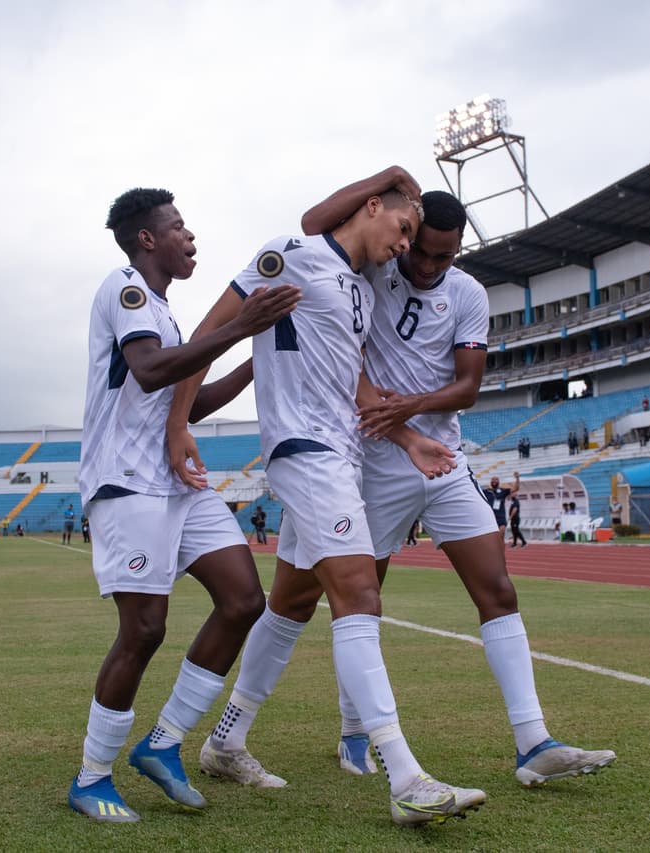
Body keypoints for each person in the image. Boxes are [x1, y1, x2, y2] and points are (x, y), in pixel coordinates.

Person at [196, 172, 611, 809]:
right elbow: (314, 227)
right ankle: (282, 733)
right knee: (304, 602)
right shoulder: (370, 265)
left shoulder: (468, 293)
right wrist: (392, 177)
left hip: (440, 458)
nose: (421, 261)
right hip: (363, 461)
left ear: (457, 253)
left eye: (439, 254)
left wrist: (411, 420)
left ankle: (533, 743)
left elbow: (468, 385)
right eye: (417, 246)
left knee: (494, 588)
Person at [167, 174, 485, 826]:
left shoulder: (360, 296)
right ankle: (406, 777)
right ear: (373, 208)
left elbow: (357, 388)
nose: (405, 247)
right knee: (360, 593)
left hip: (341, 454)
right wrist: (178, 424)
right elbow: (210, 330)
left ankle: (224, 737)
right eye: (402, 230)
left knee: (290, 604)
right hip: (306, 454)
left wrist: (408, 439)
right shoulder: (294, 252)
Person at [66, 187, 301, 824]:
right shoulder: (126, 291)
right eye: (179, 227)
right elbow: (148, 371)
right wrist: (238, 326)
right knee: (143, 630)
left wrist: (255, 360)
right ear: (148, 239)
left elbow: (186, 404)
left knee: (244, 599)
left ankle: (163, 744)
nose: (190, 237)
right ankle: (91, 778)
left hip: (174, 482)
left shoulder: (167, 315)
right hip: (127, 482)